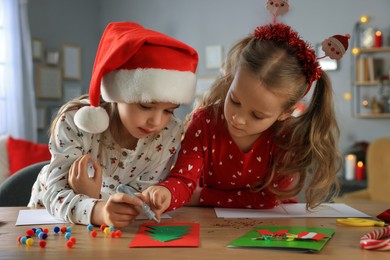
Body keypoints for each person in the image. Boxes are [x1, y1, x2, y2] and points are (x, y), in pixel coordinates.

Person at [143, 23, 341, 217]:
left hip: (275, 227)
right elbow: (182, 181)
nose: (238, 119)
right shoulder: (205, 122)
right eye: (234, 100)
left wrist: (200, 196)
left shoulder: (288, 139)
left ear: (285, 113)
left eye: (257, 115)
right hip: (210, 224)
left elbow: (269, 200)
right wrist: (165, 193)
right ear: (232, 79)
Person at [28, 21, 199, 227]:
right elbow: (56, 194)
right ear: (118, 92)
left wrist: (94, 195)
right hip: (48, 219)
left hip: (111, 224)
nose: (157, 121)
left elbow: (139, 197)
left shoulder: (169, 132)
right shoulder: (75, 122)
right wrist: (98, 208)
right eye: (146, 106)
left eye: (169, 110)